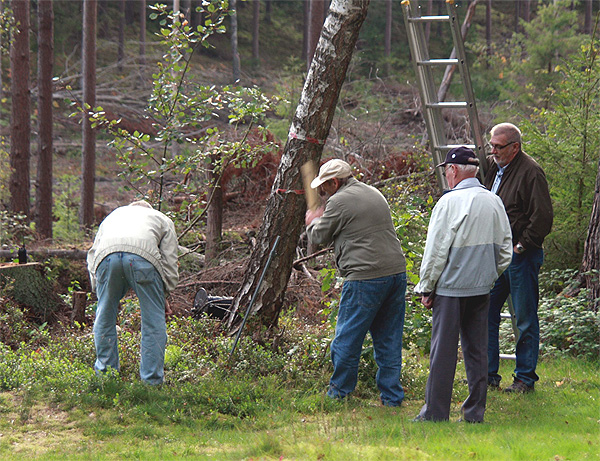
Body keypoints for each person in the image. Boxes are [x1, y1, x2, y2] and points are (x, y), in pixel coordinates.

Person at [414, 146, 512, 423]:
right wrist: (488, 276)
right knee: (478, 352)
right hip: (481, 288)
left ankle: (434, 414)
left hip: (449, 290)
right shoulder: (494, 201)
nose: (447, 176)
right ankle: (474, 414)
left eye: (446, 171)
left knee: (442, 352)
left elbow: (435, 252)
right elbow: (506, 251)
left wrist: (427, 287)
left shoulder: (448, 202)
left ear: (453, 171)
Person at [305, 159, 407, 407]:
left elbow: (319, 236)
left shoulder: (339, 200)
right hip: (395, 274)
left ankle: (339, 394)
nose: (321, 192)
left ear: (334, 182)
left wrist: (313, 220)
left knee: (346, 340)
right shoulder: (372, 192)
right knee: (388, 341)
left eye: (323, 187)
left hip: (365, 278)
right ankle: (392, 398)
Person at [485, 123, 553, 393]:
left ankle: (525, 379)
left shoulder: (531, 172)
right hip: (496, 255)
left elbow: (543, 218)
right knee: (485, 313)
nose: (493, 151)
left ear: (515, 147)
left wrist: (521, 246)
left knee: (524, 318)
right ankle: (488, 375)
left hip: (520, 256)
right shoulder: (494, 167)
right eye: (491, 145)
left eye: (498, 147)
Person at [87, 200, 179, 385]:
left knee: (105, 317)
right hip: (144, 260)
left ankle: (106, 377)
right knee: (153, 322)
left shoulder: (112, 217)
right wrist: (165, 292)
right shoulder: (162, 219)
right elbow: (169, 260)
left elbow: (92, 254)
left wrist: (98, 287)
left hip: (106, 257)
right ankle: (151, 382)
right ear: (149, 210)